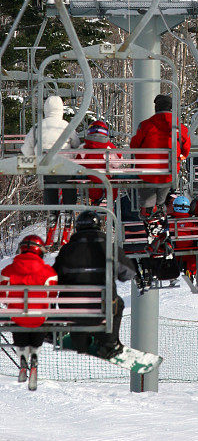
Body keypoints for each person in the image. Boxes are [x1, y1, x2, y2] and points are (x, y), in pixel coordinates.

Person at [53, 210, 135, 359]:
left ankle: (80, 340)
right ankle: (109, 342)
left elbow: (53, 278)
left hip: (71, 310)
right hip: (101, 308)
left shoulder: (66, 250)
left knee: (79, 305)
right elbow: (128, 273)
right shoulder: (108, 248)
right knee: (117, 304)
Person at [130, 94, 191, 256]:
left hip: (147, 173)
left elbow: (134, 144)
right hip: (168, 174)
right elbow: (186, 149)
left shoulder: (145, 125)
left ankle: (155, 236)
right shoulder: (180, 127)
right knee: (161, 203)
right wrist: (180, 159)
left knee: (148, 206)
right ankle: (160, 233)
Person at [0, 234, 58, 388]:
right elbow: (52, 295)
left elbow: (2, 294)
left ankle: (23, 360)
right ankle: (34, 356)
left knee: (19, 322)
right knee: (37, 320)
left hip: (17, 317)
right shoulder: (48, 271)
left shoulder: (8, 269)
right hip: (38, 318)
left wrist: (10, 303)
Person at [22, 96, 81, 226]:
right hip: (64, 168)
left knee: (48, 185)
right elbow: (76, 145)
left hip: (46, 167)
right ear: (61, 109)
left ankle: (52, 212)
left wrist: (32, 160)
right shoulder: (66, 126)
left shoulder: (38, 127)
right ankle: (68, 210)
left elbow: (27, 149)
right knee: (69, 184)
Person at [76, 120, 122, 205]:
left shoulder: (83, 148)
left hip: (89, 183)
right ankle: (109, 202)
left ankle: (95, 203)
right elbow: (117, 163)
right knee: (114, 177)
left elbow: (77, 164)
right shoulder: (109, 147)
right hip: (107, 183)